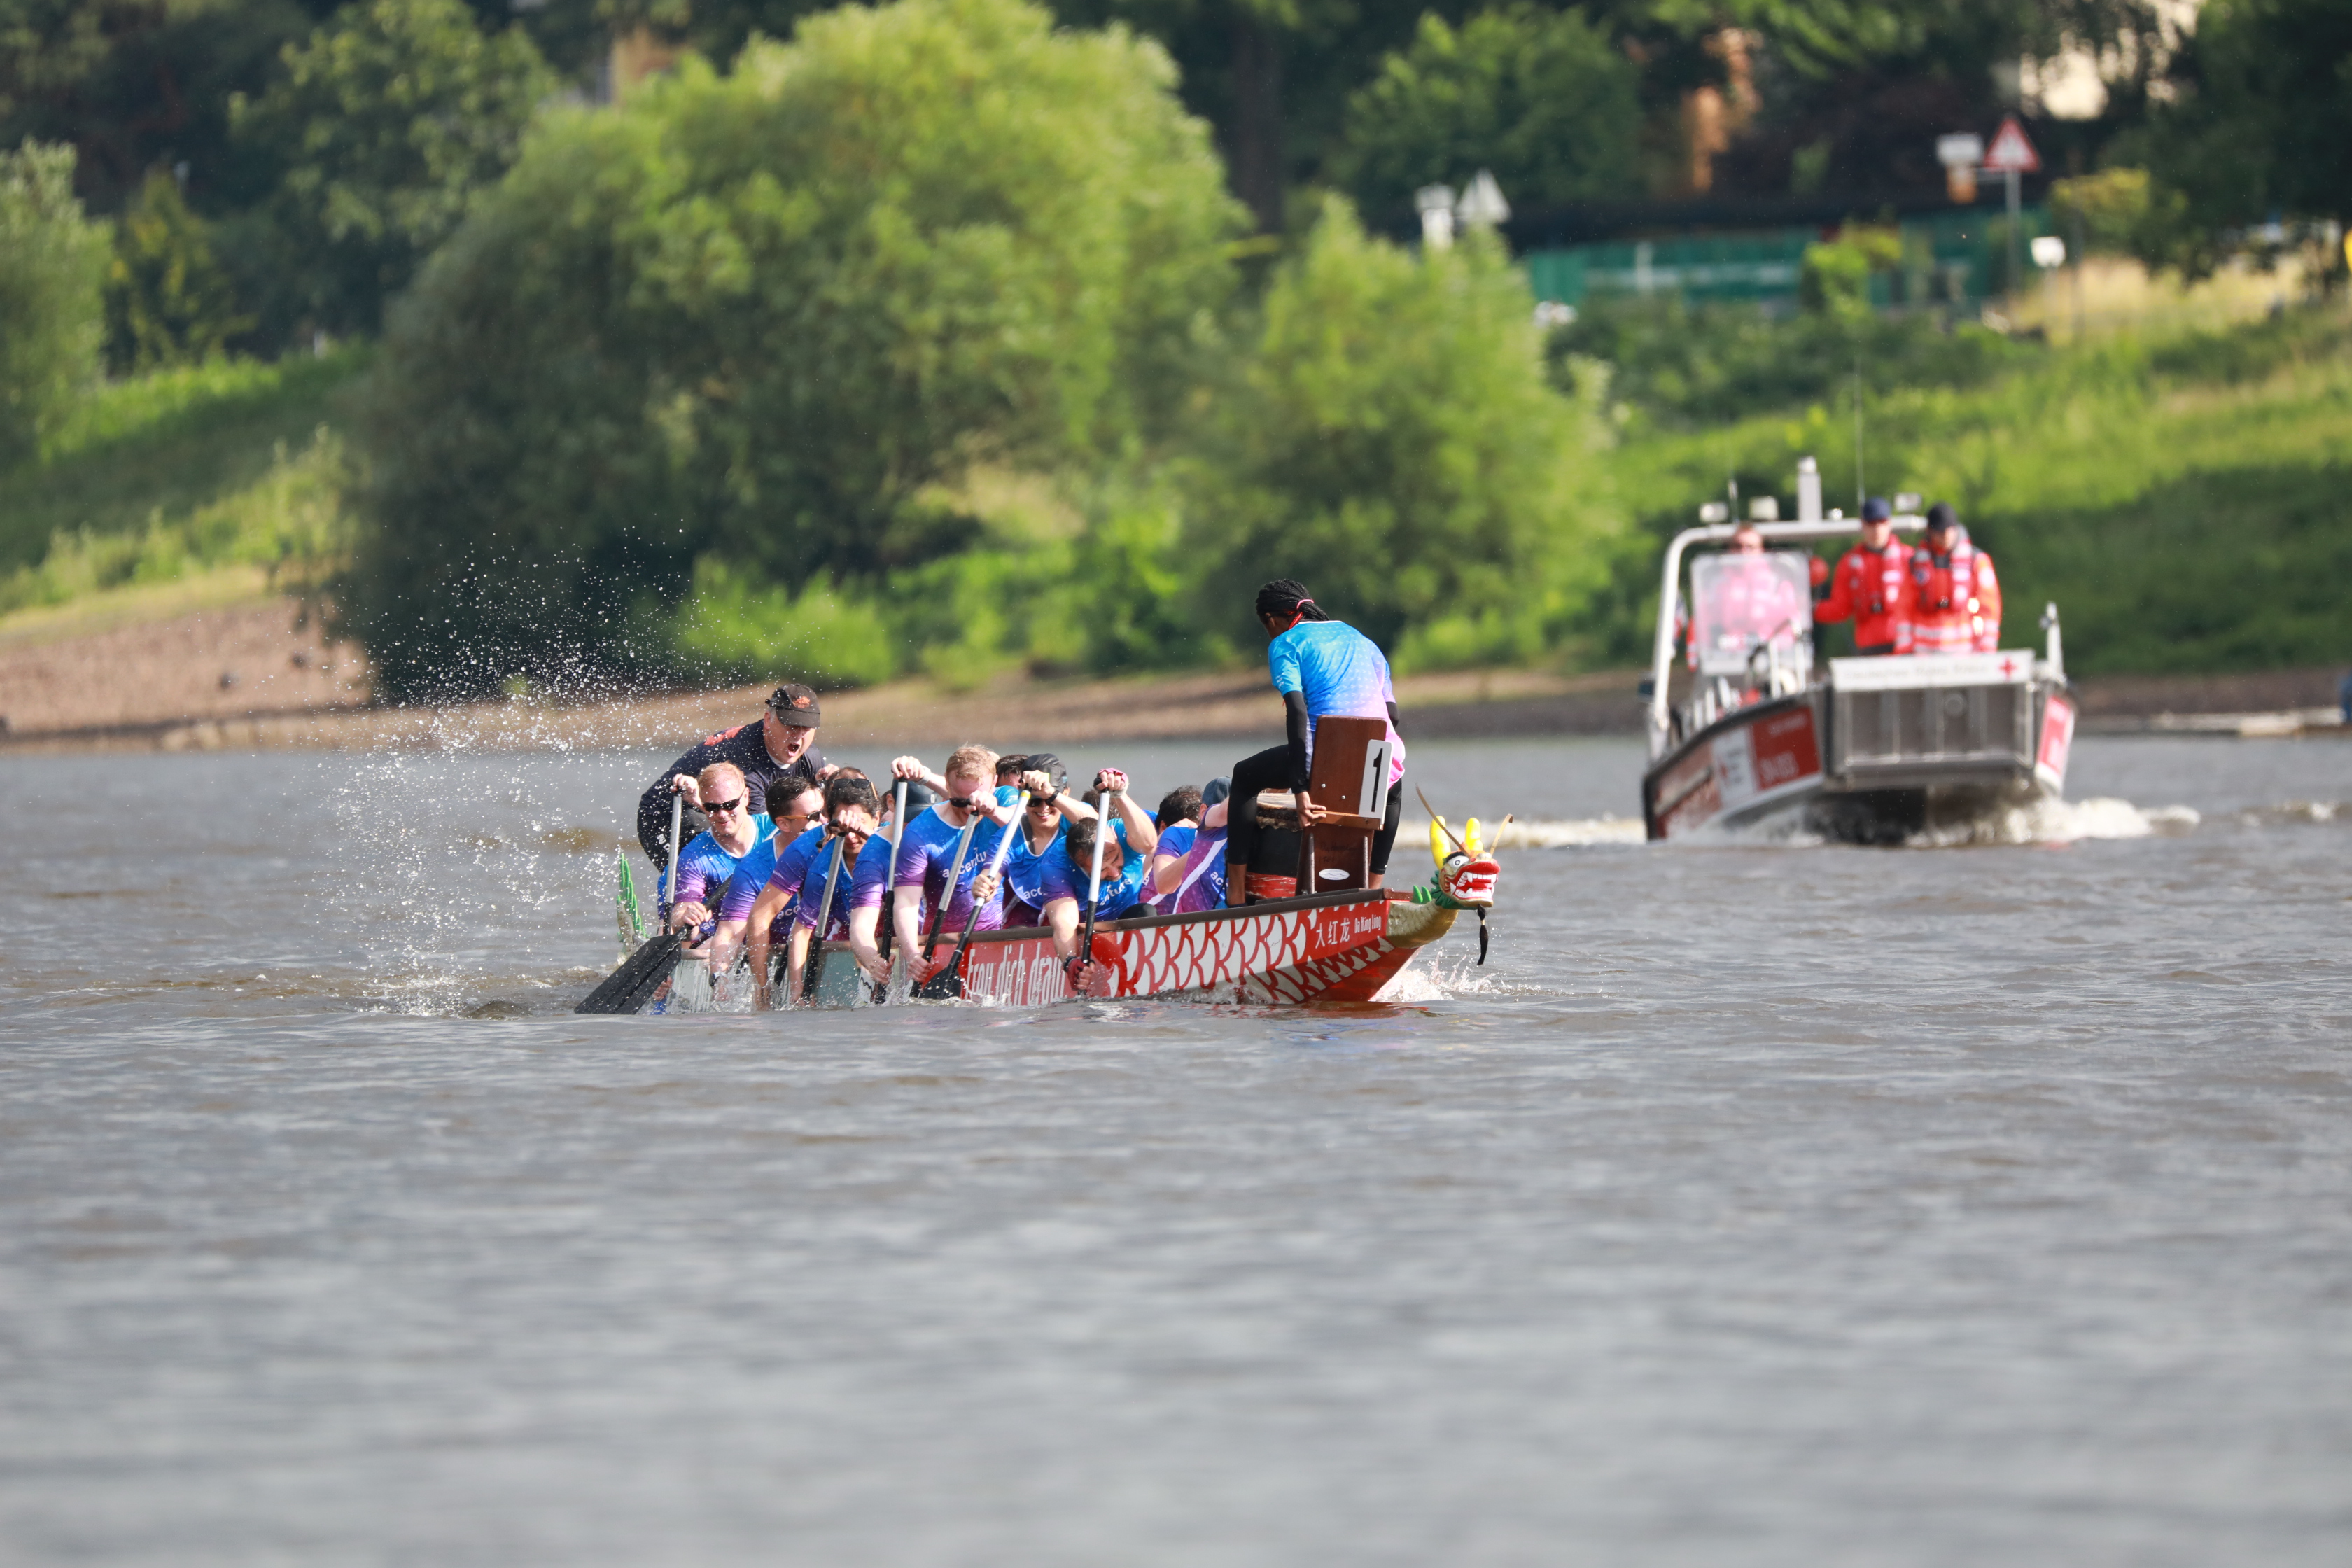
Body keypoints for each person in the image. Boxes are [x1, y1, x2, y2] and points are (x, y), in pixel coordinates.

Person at [1224, 580, 1407, 906]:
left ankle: (1236, 895)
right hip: (1380, 763)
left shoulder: (1286, 643)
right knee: (1394, 793)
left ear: (1270, 619)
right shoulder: (1360, 638)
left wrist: (1299, 789)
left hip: (1323, 760)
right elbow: (1392, 715)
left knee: (1244, 777)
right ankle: (1371, 890)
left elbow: (1296, 711)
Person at [634, 682, 833, 870]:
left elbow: (818, 817)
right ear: (768, 721)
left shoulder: (810, 759)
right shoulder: (744, 762)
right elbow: (756, 837)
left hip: (722, 817)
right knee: (737, 870)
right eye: (791, 725)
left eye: (806, 728)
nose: (798, 735)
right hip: (667, 819)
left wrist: (835, 790)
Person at [886, 747, 1027, 985]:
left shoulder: (1004, 798)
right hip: (943, 943)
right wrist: (912, 954)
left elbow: (1024, 826)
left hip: (996, 938)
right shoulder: (921, 833)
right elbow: (907, 902)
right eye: (960, 800)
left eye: (974, 801)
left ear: (994, 782)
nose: (968, 810)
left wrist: (992, 811)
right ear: (948, 787)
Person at [750, 774, 883, 1005]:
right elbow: (798, 931)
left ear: (877, 819)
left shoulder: (894, 842)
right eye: (843, 825)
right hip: (847, 933)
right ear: (829, 821)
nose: (851, 836)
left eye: (860, 824)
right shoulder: (818, 863)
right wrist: (795, 990)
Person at [1040, 773, 1161, 984]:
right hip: (1088, 928)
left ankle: (1150, 969)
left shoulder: (1121, 831)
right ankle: (1128, 975)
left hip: (1128, 916)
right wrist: (1070, 961)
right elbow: (1064, 921)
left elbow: (1149, 845)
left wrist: (1120, 794)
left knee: (1145, 912)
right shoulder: (1056, 865)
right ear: (1078, 864)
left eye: (1115, 859)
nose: (1114, 873)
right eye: (1101, 870)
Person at [703, 778, 825, 947]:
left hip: (833, 943)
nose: (826, 822)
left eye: (826, 811)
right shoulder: (752, 870)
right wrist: (719, 972)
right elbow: (729, 935)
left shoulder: (845, 844)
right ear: (783, 823)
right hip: (776, 951)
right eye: (814, 816)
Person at [664, 763, 776, 938]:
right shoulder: (694, 856)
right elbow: (680, 913)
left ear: (746, 797)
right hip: (728, 944)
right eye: (712, 807)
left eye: (730, 804)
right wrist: (686, 917)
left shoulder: (776, 828)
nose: (722, 814)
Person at [991, 756, 1098, 927]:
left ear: (1065, 794)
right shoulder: (1008, 836)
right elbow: (991, 874)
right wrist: (985, 883)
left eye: (1049, 801)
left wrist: (1051, 793)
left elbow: (1099, 828)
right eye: (1035, 801)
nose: (1043, 808)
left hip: (1075, 920)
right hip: (1024, 929)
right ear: (1021, 795)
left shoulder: (1076, 821)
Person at [1690, 521, 1809, 668]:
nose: (1743, 552)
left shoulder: (1778, 583)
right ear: (1729, 549)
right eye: (1737, 547)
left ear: (1762, 550)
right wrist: (1696, 661)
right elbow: (1702, 623)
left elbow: (1793, 624)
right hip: (1728, 659)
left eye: (1750, 547)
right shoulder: (1716, 584)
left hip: (1772, 659)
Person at [1814, 497, 1912, 657]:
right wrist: (1812, 609)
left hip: (1904, 645)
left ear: (1890, 524)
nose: (1877, 529)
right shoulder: (1850, 564)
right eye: (1871, 524)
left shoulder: (1909, 559)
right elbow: (1840, 608)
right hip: (1869, 646)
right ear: (1863, 525)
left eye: (1882, 523)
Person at [1907, 503, 2003, 654]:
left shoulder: (1977, 560)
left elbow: (1989, 606)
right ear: (1929, 532)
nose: (1945, 535)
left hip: (1964, 651)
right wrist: (1906, 647)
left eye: (1949, 529)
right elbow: (1905, 606)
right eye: (1940, 531)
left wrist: (1987, 644)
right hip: (1923, 653)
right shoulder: (1915, 563)